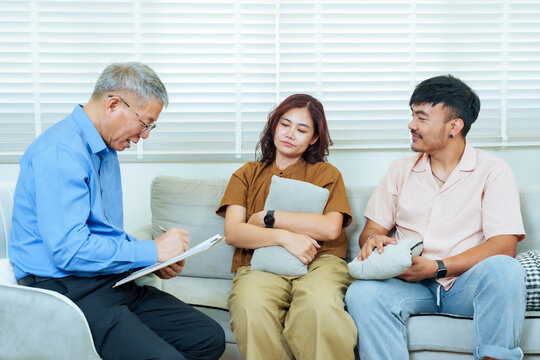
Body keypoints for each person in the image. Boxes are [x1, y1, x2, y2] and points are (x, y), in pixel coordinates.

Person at [8, 62, 225, 360]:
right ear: (113, 105)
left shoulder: (105, 151)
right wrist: (151, 251)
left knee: (207, 338)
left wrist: (152, 261)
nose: (145, 135)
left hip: (108, 280)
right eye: (145, 122)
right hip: (65, 291)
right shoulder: (60, 153)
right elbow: (69, 251)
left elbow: (103, 233)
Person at [345, 75, 527, 360]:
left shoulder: (493, 170)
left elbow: (504, 245)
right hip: (409, 285)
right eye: (412, 115)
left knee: (506, 270)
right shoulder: (400, 170)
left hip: (464, 285)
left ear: (454, 126)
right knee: (362, 293)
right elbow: (371, 230)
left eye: (422, 117)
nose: (411, 125)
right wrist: (373, 241)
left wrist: (438, 267)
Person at [216, 93, 357, 360]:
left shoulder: (328, 174)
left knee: (318, 306)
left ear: (314, 138)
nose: (290, 133)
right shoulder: (246, 174)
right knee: (249, 305)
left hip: (321, 261)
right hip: (261, 264)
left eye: (302, 129)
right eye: (285, 124)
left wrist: (268, 217)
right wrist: (285, 238)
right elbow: (234, 232)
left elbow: (329, 229)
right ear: (274, 126)